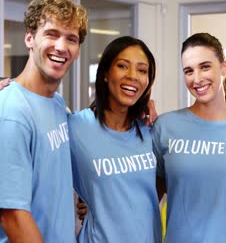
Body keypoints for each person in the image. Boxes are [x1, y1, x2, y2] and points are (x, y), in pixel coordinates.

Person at [0, 0, 88, 242]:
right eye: (51, 34)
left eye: (71, 39)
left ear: (78, 50)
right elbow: (11, 215)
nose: (61, 46)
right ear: (30, 38)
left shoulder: (58, 105)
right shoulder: (11, 111)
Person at [152, 33, 226, 242]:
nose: (197, 79)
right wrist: (97, 205)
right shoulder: (165, 127)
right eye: (189, 71)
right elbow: (145, 196)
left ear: (224, 67)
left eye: (205, 67)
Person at [68, 36, 162, 242]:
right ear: (105, 73)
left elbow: (153, 187)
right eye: (122, 66)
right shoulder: (75, 127)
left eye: (142, 70)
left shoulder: (152, 130)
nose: (133, 76)